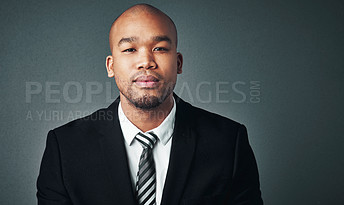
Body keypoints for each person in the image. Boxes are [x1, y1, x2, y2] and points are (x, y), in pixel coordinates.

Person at [37, 3, 263, 205]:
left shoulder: (228, 142)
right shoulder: (65, 148)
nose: (146, 61)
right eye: (130, 49)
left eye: (160, 48)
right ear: (111, 66)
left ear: (178, 62)